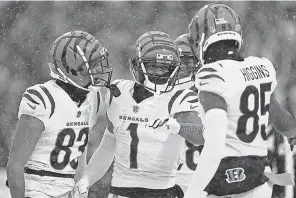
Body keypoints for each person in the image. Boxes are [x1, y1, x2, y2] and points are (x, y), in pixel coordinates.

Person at [74, 31, 204, 198]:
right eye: (152, 66)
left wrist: (178, 127)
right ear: (137, 65)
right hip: (120, 192)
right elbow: (107, 147)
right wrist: (86, 179)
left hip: (162, 193)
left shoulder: (180, 98)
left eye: (164, 67)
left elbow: (202, 135)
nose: (158, 73)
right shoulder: (118, 94)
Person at [184, 3, 296, 198]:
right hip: (258, 178)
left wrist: (192, 193)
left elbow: (215, 145)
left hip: (224, 181)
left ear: (201, 37)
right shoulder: (260, 67)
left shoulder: (211, 75)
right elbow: (283, 122)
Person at [6, 30, 115, 198]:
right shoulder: (43, 99)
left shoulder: (93, 96)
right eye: (92, 65)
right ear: (72, 69)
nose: (98, 69)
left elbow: (79, 154)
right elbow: (15, 166)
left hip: (68, 189)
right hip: (37, 190)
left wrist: (80, 189)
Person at [174, 33, 204, 193]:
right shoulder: (161, 94)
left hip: (204, 183)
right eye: (178, 61)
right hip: (172, 183)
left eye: (187, 61)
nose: (182, 66)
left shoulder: (211, 96)